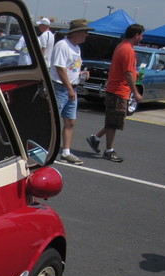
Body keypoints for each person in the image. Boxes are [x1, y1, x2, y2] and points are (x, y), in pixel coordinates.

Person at [87, 24, 145, 162]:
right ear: (136, 35)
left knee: (114, 120)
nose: (141, 39)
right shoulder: (128, 50)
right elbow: (127, 74)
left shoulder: (122, 46)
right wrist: (136, 93)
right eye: (141, 35)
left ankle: (95, 138)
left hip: (117, 90)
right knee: (113, 122)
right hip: (118, 91)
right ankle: (109, 150)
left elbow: (127, 71)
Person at [49, 18, 93, 165]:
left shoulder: (76, 48)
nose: (86, 35)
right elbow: (60, 68)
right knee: (53, 120)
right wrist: (69, 88)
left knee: (70, 121)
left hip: (71, 87)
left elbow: (70, 67)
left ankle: (66, 152)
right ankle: (47, 148)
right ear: (76, 33)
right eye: (85, 32)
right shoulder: (63, 45)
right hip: (61, 87)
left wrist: (80, 74)